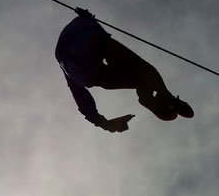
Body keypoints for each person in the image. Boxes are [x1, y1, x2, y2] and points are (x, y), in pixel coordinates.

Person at [55, 8, 193, 132]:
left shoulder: (82, 25)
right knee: (143, 70)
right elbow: (79, 93)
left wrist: (102, 122)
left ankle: (150, 96)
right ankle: (163, 95)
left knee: (142, 79)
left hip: (80, 72)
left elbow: (78, 93)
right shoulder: (85, 24)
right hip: (85, 42)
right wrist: (86, 16)